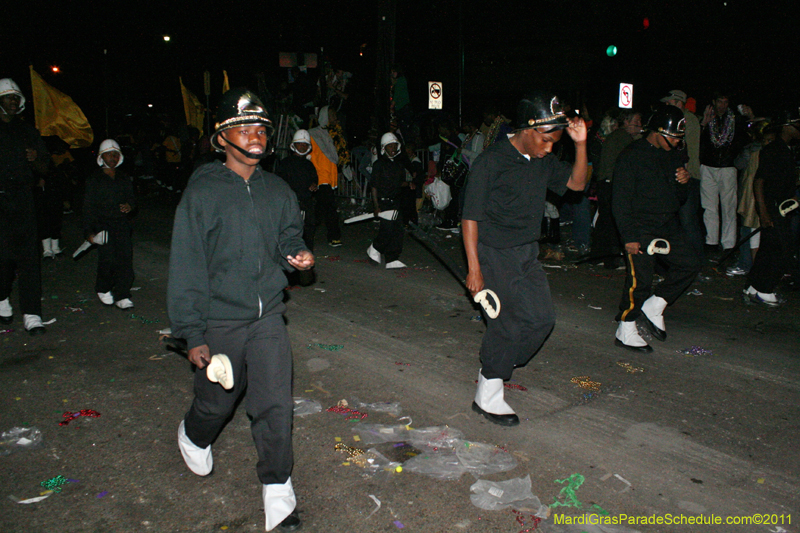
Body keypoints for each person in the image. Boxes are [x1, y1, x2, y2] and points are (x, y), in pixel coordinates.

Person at [168, 89, 313, 532]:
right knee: (217, 404)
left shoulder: (279, 189)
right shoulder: (204, 193)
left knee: (275, 404)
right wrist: (193, 334)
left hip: (268, 316)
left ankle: (277, 489)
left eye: (261, 128)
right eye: (244, 127)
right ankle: (193, 433)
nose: (255, 135)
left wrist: (296, 252)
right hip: (219, 320)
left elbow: (288, 233)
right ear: (222, 137)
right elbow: (188, 265)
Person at [462, 92, 588, 426]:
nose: (549, 148)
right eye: (546, 140)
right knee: (508, 324)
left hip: (526, 253)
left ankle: (496, 362)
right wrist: (474, 270)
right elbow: (470, 217)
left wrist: (580, 144)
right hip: (493, 253)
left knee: (542, 319)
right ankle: (487, 392)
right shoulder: (491, 161)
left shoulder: (543, 161)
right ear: (527, 129)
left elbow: (576, 184)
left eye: (554, 142)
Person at [612, 106, 702, 352]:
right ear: (657, 132)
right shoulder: (631, 156)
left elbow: (679, 197)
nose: (675, 143)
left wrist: (683, 182)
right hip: (639, 226)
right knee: (639, 280)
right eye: (672, 137)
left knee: (690, 262)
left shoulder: (673, 155)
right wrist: (629, 237)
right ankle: (625, 326)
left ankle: (654, 306)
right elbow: (619, 200)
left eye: (678, 138)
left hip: (667, 225)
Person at [0, 78, 49, 335]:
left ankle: (32, 313)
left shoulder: (27, 131)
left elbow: (44, 167)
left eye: (15, 98)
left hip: (23, 199)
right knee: (4, 256)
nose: (12, 102)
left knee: (30, 257)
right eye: (7, 97)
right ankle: (1, 296)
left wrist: (34, 160)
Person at [744, 110, 800, 306]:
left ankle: (753, 286)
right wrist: (764, 212)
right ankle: (764, 289)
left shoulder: (785, 149)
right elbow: (759, 181)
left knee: (768, 249)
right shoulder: (774, 149)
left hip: (782, 208)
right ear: (786, 127)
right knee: (779, 249)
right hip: (773, 208)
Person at [83, 139, 137, 309]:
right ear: (102, 156)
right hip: (102, 225)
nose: (112, 157)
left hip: (121, 224)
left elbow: (132, 199)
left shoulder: (123, 177)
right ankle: (103, 288)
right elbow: (88, 207)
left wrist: (130, 206)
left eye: (116, 154)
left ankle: (122, 294)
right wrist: (89, 232)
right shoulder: (94, 179)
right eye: (109, 154)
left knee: (125, 259)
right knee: (108, 259)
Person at [699, 92, 753, 255]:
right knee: (709, 207)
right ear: (714, 102)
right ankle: (711, 242)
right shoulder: (706, 118)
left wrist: (750, 118)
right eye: (719, 102)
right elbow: (697, 141)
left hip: (728, 166)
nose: (722, 105)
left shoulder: (734, 119)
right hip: (708, 166)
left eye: (725, 102)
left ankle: (728, 243)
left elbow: (749, 136)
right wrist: (703, 124)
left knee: (728, 206)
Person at [590, 109, 642, 268]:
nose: (640, 125)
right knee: (612, 222)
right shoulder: (624, 138)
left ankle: (598, 256)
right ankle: (611, 260)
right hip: (611, 183)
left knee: (605, 221)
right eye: (637, 122)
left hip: (604, 182)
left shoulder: (617, 136)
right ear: (626, 122)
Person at [661, 90, 704, 259]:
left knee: (688, 221)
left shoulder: (688, 120)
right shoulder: (681, 119)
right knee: (678, 220)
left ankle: (696, 260)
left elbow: (686, 151)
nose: (666, 106)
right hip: (680, 175)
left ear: (679, 103)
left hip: (688, 177)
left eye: (669, 102)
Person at [276, 129, 319, 286]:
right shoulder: (285, 163)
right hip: (289, 207)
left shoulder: (309, 165)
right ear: (293, 145)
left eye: (304, 145)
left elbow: (315, 181)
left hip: (306, 206)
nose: (301, 147)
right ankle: (287, 277)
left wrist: (314, 186)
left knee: (307, 236)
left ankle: (304, 272)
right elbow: (279, 185)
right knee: (289, 239)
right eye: (299, 144)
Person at [367, 132, 407, 269]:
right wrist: (376, 206)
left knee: (398, 231)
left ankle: (392, 258)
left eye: (395, 145)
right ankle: (375, 247)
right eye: (390, 146)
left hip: (396, 201)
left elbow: (399, 183)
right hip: (384, 202)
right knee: (387, 230)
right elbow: (374, 186)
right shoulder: (379, 164)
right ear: (384, 148)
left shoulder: (398, 165)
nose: (393, 148)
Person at [308, 106, 343, 247]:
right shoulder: (313, 134)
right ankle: (334, 236)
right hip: (320, 178)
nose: (335, 118)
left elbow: (336, 157)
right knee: (329, 209)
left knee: (320, 210)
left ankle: (305, 233)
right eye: (332, 115)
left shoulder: (332, 134)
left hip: (329, 178)